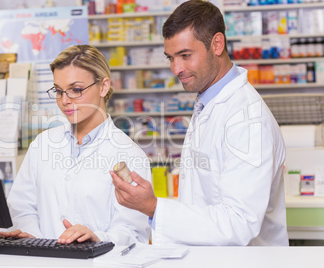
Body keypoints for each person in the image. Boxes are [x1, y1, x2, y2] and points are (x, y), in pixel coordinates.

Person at [111, 0, 288, 246]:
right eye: (170, 58)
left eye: (185, 55)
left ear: (217, 44)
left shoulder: (247, 119)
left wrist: (154, 208)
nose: (176, 68)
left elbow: (239, 222)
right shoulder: (209, 101)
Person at [0, 45, 151, 246]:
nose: (64, 101)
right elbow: (22, 207)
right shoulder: (42, 145)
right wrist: (33, 237)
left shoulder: (129, 155)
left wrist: (98, 239)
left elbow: (133, 232)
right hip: (43, 261)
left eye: (76, 90)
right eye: (59, 91)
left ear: (103, 87)